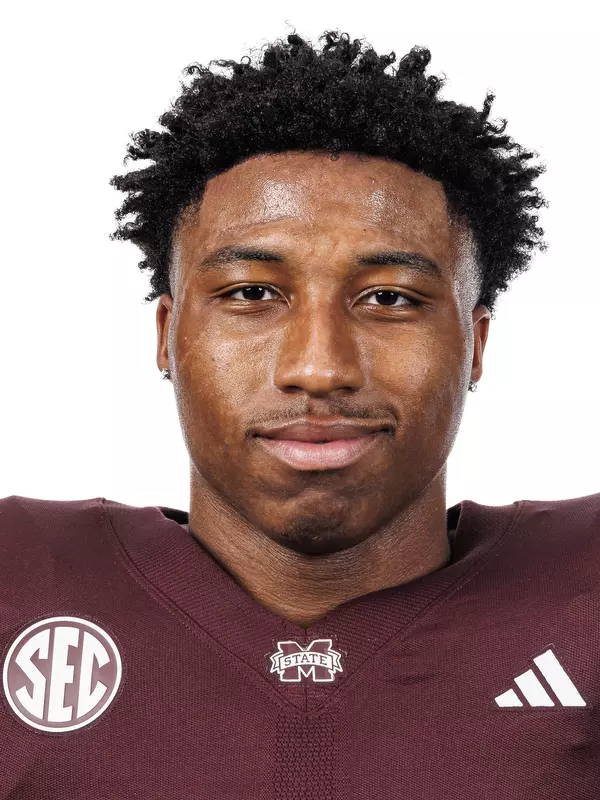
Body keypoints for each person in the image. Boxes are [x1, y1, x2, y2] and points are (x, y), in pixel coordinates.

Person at [1, 29, 597, 799]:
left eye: (389, 298)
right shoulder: (19, 578)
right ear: (167, 335)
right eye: (252, 293)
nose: (318, 367)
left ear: (475, 344)